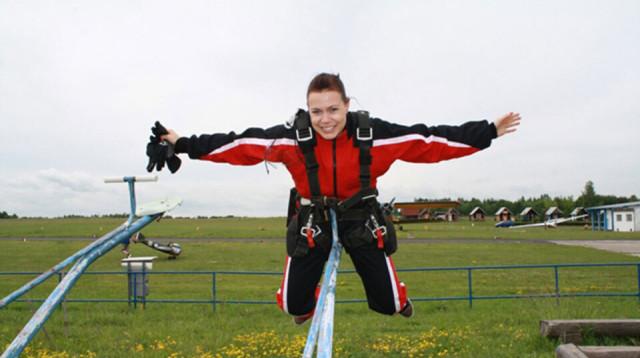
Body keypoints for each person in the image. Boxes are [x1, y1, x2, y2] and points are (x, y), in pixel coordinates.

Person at [146, 72, 520, 325]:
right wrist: (184, 144)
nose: (326, 120)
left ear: (347, 104)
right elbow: (239, 144)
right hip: (314, 217)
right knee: (293, 305)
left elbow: (430, 141)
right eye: (317, 111)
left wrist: (486, 132)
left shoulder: (374, 135)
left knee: (389, 304)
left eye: (333, 109)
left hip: (361, 215)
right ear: (307, 110)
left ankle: (397, 297)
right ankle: (303, 302)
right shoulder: (292, 139)